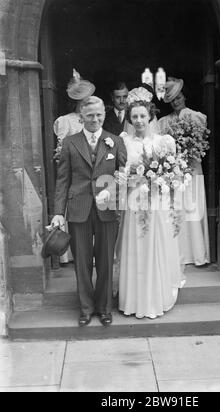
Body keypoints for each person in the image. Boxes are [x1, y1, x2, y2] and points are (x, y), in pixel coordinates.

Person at [51, 96, 127, 327]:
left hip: (106, 208)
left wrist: (118, 186)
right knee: (82, 262)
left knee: (105, 260)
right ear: (81, 116)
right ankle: (85, 308)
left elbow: (123, 174)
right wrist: (58, 212)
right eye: (90, 115)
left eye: (99, 115)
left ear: (104, 114)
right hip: (78, 209)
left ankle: (104, 308)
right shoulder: (70, 142)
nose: (95, 119)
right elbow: (63, 180)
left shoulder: (115, 141)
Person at [117, 91, 184, 319]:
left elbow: (172, 174)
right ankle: (134, 299)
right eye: (134, 117)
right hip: (135, 201)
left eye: (142, 116)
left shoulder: (163, 142)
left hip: (156, 202)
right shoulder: (123, 141)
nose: (138, 121)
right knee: (135, 244)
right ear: (129, 119)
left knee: (155, 245)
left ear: (150, 117)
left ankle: (156, 296)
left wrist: (159, 178)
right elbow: (121, 171)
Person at [159, 78, 210, 267]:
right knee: (177, 208)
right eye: (172, 100)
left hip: (192, 168)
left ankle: (196, 254)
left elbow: (200, 141)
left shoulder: (196, 116)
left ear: (184, 97)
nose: (176, 102)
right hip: (175, 170)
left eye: (178, 97)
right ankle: (178, 254)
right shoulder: (165, 122)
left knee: (193, 208)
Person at [53, 69, 96, 264]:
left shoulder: (95, 119)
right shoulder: (65, 121)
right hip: (75, 175)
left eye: (88, 99)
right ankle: (73, 254)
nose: (86, 102)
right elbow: (62, 152)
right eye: (82, 100)